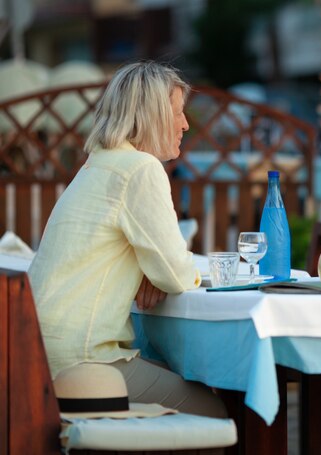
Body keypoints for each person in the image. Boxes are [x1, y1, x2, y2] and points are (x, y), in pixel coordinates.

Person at [28, 61, 226, 419]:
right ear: (151, 116)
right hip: (84, 363)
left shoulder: (96, 164)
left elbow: (155, 265)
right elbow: (176, 274)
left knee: (170, 378)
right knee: (214, 410)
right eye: (178, 114)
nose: (185, 124)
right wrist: (162, 271)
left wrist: (152, 269)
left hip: (39, 353)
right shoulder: (140, 169)